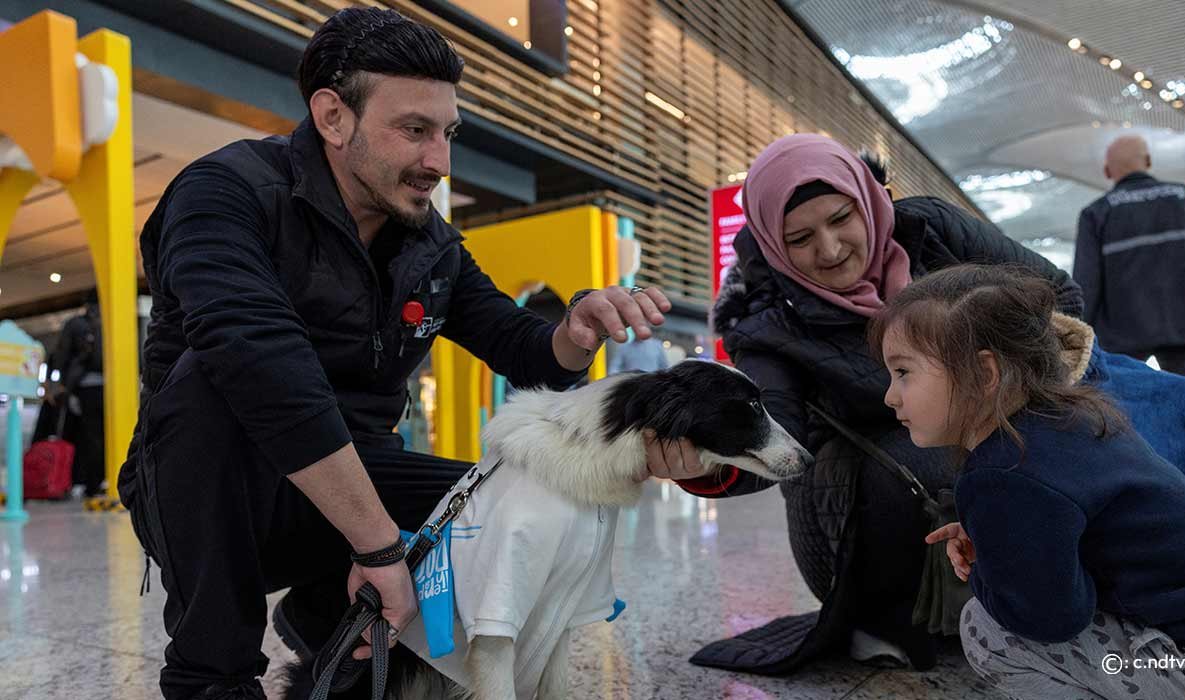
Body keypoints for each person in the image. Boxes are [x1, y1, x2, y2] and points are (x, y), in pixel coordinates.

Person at [117, 9, 707, 699]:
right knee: (214, 381)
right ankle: (212, 675)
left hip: (354, 477)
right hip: (216, 483)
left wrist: (575, 329)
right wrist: (378, 545)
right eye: (415, 130)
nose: (439, 162)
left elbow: (525, 351)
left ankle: (339, 630)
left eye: (448, 133)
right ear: (333, 118)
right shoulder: (226, 192)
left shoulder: (432, 247)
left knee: (529, 492)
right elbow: (259, 360)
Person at [688, 133, 1084, 670]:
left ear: (869, 201)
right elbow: (779, 429)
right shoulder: (766, 322)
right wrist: (703, 459)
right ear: (773, 245)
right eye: (800, 238)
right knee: (925, 445)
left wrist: (995, 389)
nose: (829, 250)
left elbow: (1058, 299)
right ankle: (892, 617)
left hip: (976, 440)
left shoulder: (931, 230)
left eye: (842, 218)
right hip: (862, 515)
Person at [872, 265, 1185, 699]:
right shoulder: (1074, 419)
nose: (890, 395)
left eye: (904, 372)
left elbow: (1049, 619)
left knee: (986, 630)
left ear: (983, 374)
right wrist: (996, 540)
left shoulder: (1005, 472)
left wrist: (988, 570)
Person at [1071, 134, 1185, 382]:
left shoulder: (1097, 213)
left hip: (1122, 337)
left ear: (1107, 171)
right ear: (1148, 161)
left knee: (1127, 409)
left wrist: (1082, 340)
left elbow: (1087, 284)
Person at [43, 291, 105, 496]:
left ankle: (78, 481)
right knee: (104, 434)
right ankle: (102, 479)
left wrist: (57, 383)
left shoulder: (76, 324)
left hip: (82, 387)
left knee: (80, 434)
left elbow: (61, 354)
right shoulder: (114, 319)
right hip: (112, 388)